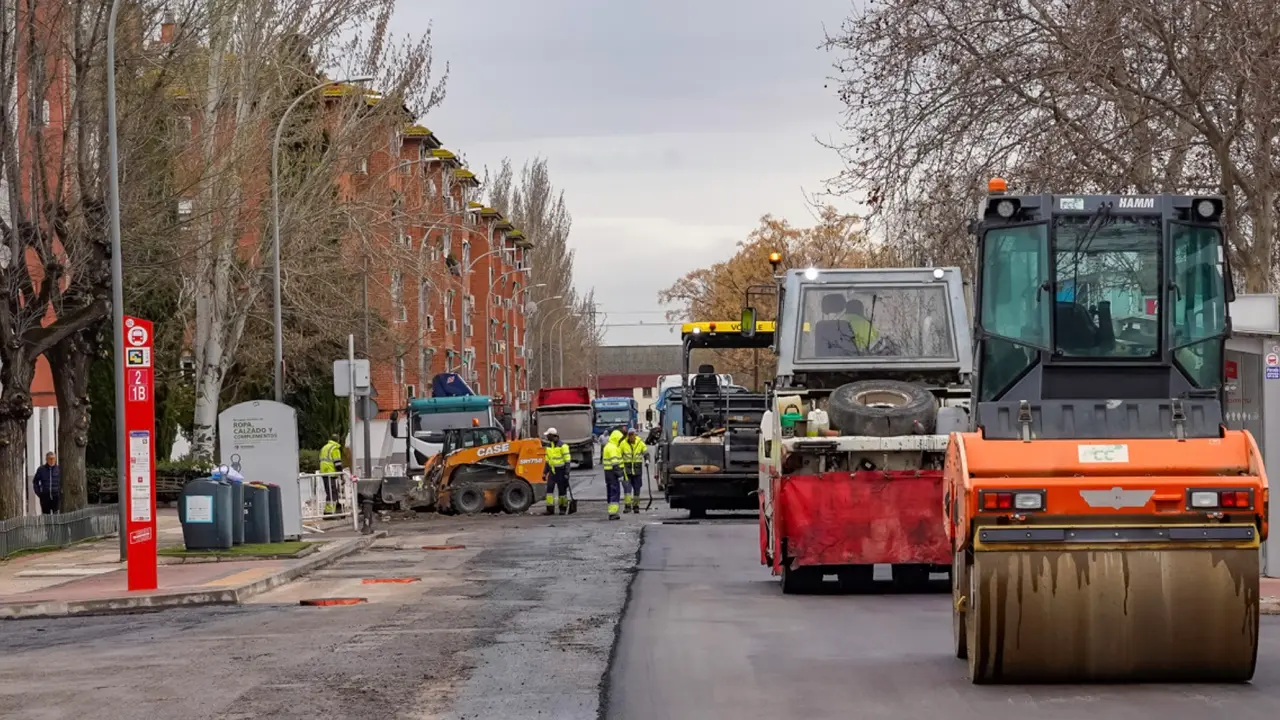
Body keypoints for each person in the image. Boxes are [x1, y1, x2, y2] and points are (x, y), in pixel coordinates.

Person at [618, 427, 647, 514]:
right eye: (629, 435)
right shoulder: (623, 444)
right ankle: (627, 506)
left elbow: (645, 452)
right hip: (627, 470)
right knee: (627, 489)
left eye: (632, 435)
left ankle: (636, 506)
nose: (631, 437)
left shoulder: (640, 443)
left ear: (635, 435)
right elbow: (619, 455)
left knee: (637, 489)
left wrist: (647, 459)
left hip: (637, 470)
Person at [542, 428, 571, 515]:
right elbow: (547, 461)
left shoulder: (563, 446)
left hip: (561, 472)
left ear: (553, 435)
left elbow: (567, 461)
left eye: (548, 435)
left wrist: (567, 473)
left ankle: (563, 509)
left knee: (562, 491)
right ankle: (550, 509)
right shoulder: (549, 447)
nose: (546, 437)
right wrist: (544, 472)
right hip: (552, 472)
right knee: (549, 491)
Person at [319, 433, 345, 514]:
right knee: (332, 492)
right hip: (330, 473)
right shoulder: (335, 449)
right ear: (338, 440)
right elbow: (338, 464)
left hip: (324, 473)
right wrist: (341, 475)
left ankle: (330, 510)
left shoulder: (324, 448)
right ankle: (329, 512)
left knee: (329, 492)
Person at [602, 429, 624, 520]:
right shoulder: (613, 448)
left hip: (608, 472)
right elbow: (615, 463)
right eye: (619, 439)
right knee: (615, 492)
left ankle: (612, 510)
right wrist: (620, 475)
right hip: (613, 473)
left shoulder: (608, 446)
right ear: (616, 438)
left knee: (610, 491)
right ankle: (613, 513)